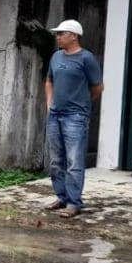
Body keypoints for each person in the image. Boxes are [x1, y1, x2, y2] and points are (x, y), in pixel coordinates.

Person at [44, 20, 103, 218]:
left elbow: (97, 87)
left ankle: (74, 203)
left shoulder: (87, 58)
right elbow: (49, 81)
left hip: (75, 117)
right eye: (57, 34)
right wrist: (49, 104)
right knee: (55, 160)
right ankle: (61, 197)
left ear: (74, 36)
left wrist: (82, 105)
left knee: (74, 161)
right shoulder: (56, 56)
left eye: (62, 33)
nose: (58, 37)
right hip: (55, 115)